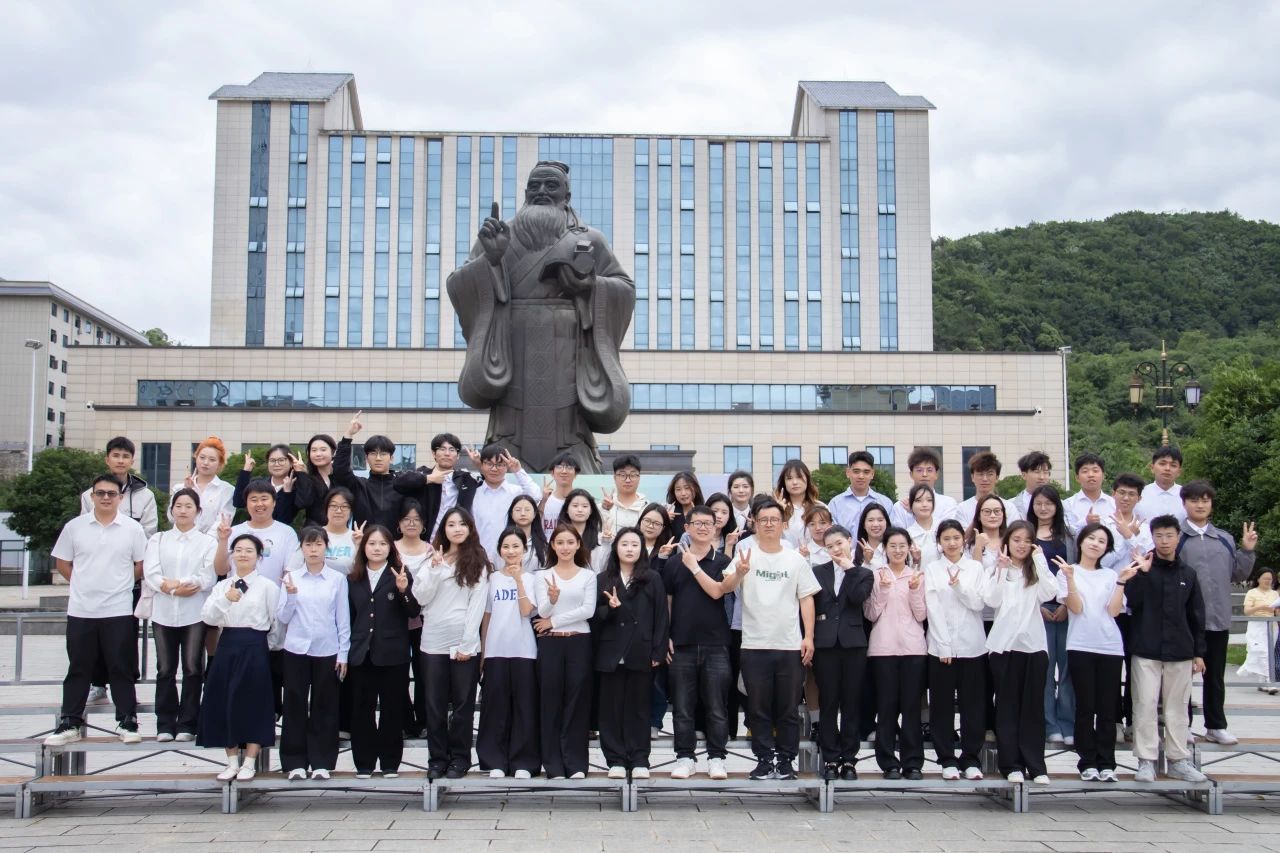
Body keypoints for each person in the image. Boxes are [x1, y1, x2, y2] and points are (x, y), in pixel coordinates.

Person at [449, 161, 635, 472]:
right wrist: (490, 260)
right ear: (525, 193)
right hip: (512, 351)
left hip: (569, 355)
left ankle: (574, 463)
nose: (542, 191)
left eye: (551, 186)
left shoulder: (590, 238)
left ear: (567, 195)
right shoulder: (498, 235)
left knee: (570, 432)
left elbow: (624, 289)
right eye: (534, 186)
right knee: (510, 432)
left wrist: (589, 286)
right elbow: (459, 284)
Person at [44, 474, 148, 747]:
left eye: (111, 493)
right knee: (79, 667)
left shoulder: (132, 529)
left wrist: (121, 584)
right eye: (100, 493)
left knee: (121, 667)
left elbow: (141, 564)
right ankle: (70, 722)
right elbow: (63, 563)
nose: (105, 498)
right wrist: (82, 584)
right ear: (91, 497)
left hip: (118, 609)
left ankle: (127, 721)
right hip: (82, 610)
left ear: (120, 498)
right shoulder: (75, 527)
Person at [719, 498, 820, 781]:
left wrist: (809, 636)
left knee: (788, 708)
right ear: (754, 522)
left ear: (783, 524)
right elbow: (724, 587)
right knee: (758, 707)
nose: (769, 524)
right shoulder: (745, 554)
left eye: (774, 519)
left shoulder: (794, 558)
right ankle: (764, 759)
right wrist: (739, 573)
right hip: (754, 644)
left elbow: (806, 598)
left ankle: (786, 761)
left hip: (789, 644)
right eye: (763, 519)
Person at [1126, 515, 1208, 783]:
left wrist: (1199, 652)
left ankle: (1178, 760)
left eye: (1169, 535)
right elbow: (1132, 602)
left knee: (1177, 707)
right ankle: (1146, 760)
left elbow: (1196, 615)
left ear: (1178, 537)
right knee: (1145, 704)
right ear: (1152, 537)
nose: (1164, 541)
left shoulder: (1188, 574)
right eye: (1159, 536)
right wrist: (1143, 574)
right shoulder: (1141, 567)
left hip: (1180, 650)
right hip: (1145, 648)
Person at [413, 508, 491, 779]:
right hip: (433, 642)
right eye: (451, 524)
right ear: (443, 529)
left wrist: (467, 644)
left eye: (462, 524)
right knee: (434, 706)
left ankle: (460, 759)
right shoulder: (431, 560)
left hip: (464, 643)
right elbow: (420, 598)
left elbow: (477, 605)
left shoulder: (478, 561)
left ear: (470, 528)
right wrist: (435, 570)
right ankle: (437, 759)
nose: (457, 529)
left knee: (462, 706)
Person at [1178, 480, 1257, 744]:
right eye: (1194, 500)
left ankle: (1216, 725)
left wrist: (1247, 550)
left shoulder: (1224, 538)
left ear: (1211, 504)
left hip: (1217, 619)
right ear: (1184, 503)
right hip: (1186, 621)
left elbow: (1238, 574)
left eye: (1205, 500)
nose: (1200, 505)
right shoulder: (1177, 537)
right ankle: (1182, 725)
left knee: (1215, 676)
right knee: (1182, 677)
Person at [982, 520, 1059, 785]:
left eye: (1027, 540)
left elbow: (1050, 592)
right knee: (1007, 707)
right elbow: (991, 600)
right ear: (1007, 542)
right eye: (1016, 540)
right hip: (1004, 647)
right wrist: (1001, 570)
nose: (1021, 545)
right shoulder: (997, 568)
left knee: (1032, 708)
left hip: (1034, 646)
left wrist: (1040, 560)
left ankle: (1036, 765)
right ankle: (1011, 764)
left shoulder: (1035, 570)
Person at [198, 533, 280, 781]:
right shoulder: (223, 586)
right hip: (228, 644)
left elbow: (276, 623)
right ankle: (232, 761)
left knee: (255, 702)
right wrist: (226, 599)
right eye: (239, 550)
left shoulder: (267, 586)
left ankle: (250, 762)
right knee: (226, 700)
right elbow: (208, 617)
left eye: (249, 550)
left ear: (258, 556)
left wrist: (265, 648)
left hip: (255, 646)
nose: (243, 555)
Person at [661, 505, 733, 780]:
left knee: (716, 706)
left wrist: (694, 567)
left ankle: (717, 758)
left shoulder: (723, 561)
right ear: (687, 528)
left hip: (716, 644)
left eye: (708, 524)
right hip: (681, 644)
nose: (703, 528)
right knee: (682, 707)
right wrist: (666, 635)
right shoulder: (673, 563)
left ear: (715, 528)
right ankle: (685, 757)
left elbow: (718, 593)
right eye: (697, 523)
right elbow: (668, 602)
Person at [276, 526, 351, 780]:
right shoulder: (291, 578)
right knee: (294, 703)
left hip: (327, 649)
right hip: (296, 648)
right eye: (308, 545)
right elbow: (283, 617)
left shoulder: (337, 579)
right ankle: (294, 761)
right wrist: (291, 596)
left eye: (318, 544)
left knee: (324, 705)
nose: (313, 550)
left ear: (326, 547)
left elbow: (342, 619)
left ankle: (322, 761)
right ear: (301, 548)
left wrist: (343, 654)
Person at [346, 525, 419, 778]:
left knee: (392, 709)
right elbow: (349, 617)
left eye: (382, 544)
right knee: (362, 709)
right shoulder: (353, 577)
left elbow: (413, 611)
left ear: (391, 548)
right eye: (372, 543)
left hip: (393, 654)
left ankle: (390, 763)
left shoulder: (399, 573)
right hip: (361, 653)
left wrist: (403, 590)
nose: (377, 548)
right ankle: (364, 762)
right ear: (363, 547)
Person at [144, 489, 216, 742]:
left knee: (193, 668)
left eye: (188, 506)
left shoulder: (207, 542)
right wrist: (173, 588)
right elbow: (151, 573)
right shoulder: (159, 539)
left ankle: (187, 723)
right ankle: (165, 723)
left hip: (194, 612)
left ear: (198, 511)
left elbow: (207, 576)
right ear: (171, 510)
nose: (183, 510)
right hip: (163, 612)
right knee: (165, 668)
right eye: (178, 506)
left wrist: (180, 583)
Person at [1055, 523, 1125, 782]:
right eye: (1091, 538)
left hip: (1110, 646)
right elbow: (1075, 608)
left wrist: (1121, 582)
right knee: (1085, 706)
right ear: (1081, 541)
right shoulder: (1067, 571)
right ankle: (1087, 763)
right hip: (1080, 645)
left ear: (1107, 548)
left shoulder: (1110, 575)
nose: (1096, 544)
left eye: (1102, 541)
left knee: (1107, 708)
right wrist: (1070, 579)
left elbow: (1114, 611)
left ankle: (1107, 763)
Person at [595, 528, 668, 779]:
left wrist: (658, 651)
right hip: (611, 652)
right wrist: (611, 609)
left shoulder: (652, 578)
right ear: (616, 548)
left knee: (639, 709)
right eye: (624, 544)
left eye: (635, 545)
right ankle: (615, 760)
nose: (629, 549)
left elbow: (661, 617)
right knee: (611, 709)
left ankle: (639, 759)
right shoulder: (603, 578)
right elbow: (595, 617)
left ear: (642, 549)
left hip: (641, 650)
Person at [531, 524, 598, 778]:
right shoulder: (543, 575)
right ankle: (553, 765)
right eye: (560, 542)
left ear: (578, 544)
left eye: (570, 542)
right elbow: (542, 611)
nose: (565, 547)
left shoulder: (588, 576)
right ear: (553, 545)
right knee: (550, 702)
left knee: (577, 701)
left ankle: (576, 764)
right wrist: (552, 600)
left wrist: (554, 621)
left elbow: (588, 611)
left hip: (579, 641)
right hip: (551, 644)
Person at [923, 519, 988, 781]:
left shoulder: (975, 568)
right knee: (941, 705)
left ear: (964, 540)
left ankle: (971, 758)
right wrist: (944, 644)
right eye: (946, 538)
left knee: (973, 705)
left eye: (956, 538)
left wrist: (958, 587)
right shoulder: (932, 569)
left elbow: (978, 603)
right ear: (939, 542)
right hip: (940, 648)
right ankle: (947, 759)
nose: (951, 543)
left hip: (973, 646)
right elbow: (932, 608)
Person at [863, 528, 928, 780]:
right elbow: (870, 614)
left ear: (909, 548)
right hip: (883, 650)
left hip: (914, 649)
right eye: (893, 545)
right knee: (886, 707)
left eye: (902, 545)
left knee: (911, 708)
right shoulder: (877, 575)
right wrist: (883, 589)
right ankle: (888, 762)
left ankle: (913, 763)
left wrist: (914, 591)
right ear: (885, 548)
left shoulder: (917, 575)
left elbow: (921, 615)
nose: (898, 550)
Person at [811, 525, 874, 780]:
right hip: (825, 644)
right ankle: (830, 759)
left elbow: (858, 598)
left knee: (851, 702)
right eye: (830, 546)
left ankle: (849, 759)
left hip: (853, 644)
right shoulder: (818, 572)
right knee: (828, 702)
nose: (836, 549)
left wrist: (850, 569)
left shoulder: (863, 573)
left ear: (850, 541)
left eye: (839, 543)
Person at [477, 528, 541, 779]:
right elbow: (487, 616)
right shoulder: (492, 579)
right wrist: (483, 651)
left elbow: (527, 611)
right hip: (496, 650)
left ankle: (524, 762)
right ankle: (495, 761)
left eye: (516, 546)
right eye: (506, 547)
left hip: (524, 650)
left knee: (525, 708)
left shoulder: (533, 579)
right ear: (499, 550)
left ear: (525, 550)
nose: (511, 551)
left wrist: (518, 580)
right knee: (495, 707)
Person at [1029, 484, 1077, 746]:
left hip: (1068, 609)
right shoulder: (1026, 535)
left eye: (1048, 503)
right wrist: (1037, 606)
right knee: (1045, 671)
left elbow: (1077, 572)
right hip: (1038, 610)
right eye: (1038, 503)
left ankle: (1068, 722)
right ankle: (1049, 724)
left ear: (1057, 506)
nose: (1043, 508)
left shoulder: (1069, 536)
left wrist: (1067, 604)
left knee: (1068, 669)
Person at [393, 432, 479, 539]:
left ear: (458, 456)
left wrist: (479, 465)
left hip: (456, 540)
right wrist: (429, 479)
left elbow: (490, 481)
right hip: (425, 540)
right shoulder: (422, 474)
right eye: (442, 449)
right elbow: (397, 483)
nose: (447, 453)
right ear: (434, 453)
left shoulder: (465, 479)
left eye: (452, 449)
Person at [396, 500, 433, 739]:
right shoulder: (390, 547)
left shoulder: (432, 550)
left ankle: (424, 720)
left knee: (423, 673)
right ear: (399, 523)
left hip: (425, 619)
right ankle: (405, 721)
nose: (411, 523)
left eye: (416, 519)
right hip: (396, 620)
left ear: (423, 524)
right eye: (407, 519)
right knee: (398, 673)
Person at [333, 411, 404, 530]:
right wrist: (348, 435)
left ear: (391, 458)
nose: (378, 458)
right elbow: (340, 471)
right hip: (363, 540)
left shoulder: (402, 486)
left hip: (396, 541)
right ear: (366, 458)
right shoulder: (360, 486)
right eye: (373, 453)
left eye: (383, 454)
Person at [79, 436, 158, 536]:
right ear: (107, 460)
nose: (120, 461)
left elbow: (149, 533)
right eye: (116, 456)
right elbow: (84, 529)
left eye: (125, 456)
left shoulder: (146, 496)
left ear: (132, 462)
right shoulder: (89, 495)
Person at [470, 444, 540, 553]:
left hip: (511, 556)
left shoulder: (516, 493)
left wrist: (517, 471)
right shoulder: (473, 495)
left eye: (499, 464)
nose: (494, 469)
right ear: (481, 465)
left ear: (507, 467)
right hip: (479, 557)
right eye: (489, 464)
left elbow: (536, 495)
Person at [173, 437, 236, 535]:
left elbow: (222, 521)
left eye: (212, 460)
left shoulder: (227, 490)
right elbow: (171, 517)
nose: (206, 463)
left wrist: (204, 541)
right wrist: (185, 491)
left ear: (220, 463)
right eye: (202, 457)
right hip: (181, 539)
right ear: (196, 457)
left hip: (212, 542)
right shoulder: (180, 488)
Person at [948, 451, 1022, 528]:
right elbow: (961, 535)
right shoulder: (962, 508)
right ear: (972, 477)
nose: (985, 479)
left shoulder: (1009, 507)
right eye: (980, 474)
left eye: (990, 474)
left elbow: (1014, 533)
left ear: (997, 477)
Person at [232, 445, 302, 525]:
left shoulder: (297, 488)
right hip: (254, 530)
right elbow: (238, 502)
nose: (276, 464)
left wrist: (287, 493)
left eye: (281, 460)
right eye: (272, 460)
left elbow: (284, 520)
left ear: (291, 463)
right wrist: (246, 471)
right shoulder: (259, 484)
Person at [890, 447, 958, 529]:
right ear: (911, 474)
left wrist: (916, 512)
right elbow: (900, 535)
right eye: (919, 470)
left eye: (929, 470)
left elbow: (947, 533)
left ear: (936, 474)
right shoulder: (900, 507)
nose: (924, 474)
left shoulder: (948, 504)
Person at [830, 451, 893, 532]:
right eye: (856, 471)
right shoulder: (835, 504)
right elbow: (832, 535)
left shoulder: (886, 503)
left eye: (866, 472)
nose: (861, 476)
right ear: (848, 472)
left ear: (872, 474)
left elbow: (891, 533)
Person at [1239, 568, 1279, 692]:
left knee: (1268, 653)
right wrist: (1260, 607)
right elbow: (1247, 611)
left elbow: (1276, 611)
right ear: (1258, 579)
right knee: (1261, 651)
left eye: (1270, 579)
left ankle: (1263, 681)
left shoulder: (1274, 594)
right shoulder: (1252, 593)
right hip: (1256, 625)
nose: (1268, 581)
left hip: (1271, 625)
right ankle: (1269, 682)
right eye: (1265, 578)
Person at [1063, 453, 1115, 534]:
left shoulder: (1114, 504)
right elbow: (1067, 534)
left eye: (1095, 471)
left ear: (1103, 476)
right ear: (1077, 478)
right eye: (1085, 471)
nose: (1091, 475)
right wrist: (1085, 522)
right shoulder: (1068, 505)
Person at [294, 433, 338, 526]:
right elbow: (303, 503)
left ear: (333, 452)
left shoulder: (341, 476)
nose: (318, 454)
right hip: (313, 531)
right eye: (313, 450)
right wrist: (302, 474)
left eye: (323, 450)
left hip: (339, 529)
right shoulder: (306, 477)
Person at [775, 459, 822, 547]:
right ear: (784, 482)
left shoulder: (820, 507)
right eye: (789, 478)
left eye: (799, 477)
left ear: (807, 479)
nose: (795, 482)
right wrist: (777, 513)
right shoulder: (775, 509)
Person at [1135, 445, 1185, 522]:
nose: (1167, 468)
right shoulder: (1139, 494)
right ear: (1152, 468)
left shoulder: (1187, 496)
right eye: (1162, 464)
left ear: (1179, 472)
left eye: (1173, 465)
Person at [601, 454, 648, 531]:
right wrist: (605, 510)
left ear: (639, 478)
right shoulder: (602, 508)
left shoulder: (647, 508)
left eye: (632, 475)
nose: (628, 480)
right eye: (622, 475)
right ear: (614, 478)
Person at [539, 452, 580, 539]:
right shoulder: (543, 500)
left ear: (575, 474)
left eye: (569, 467)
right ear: (552, 473)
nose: (564, 471)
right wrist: (543, 501)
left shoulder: (581, 502)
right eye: (559, 467)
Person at [506, 494, 548, 569]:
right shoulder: (504, 542)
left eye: (527, 510)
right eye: (518, 510)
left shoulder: (544, 544)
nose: (523, 514)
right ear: (511, 514)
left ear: (534, 514)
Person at [905, 484, 941, 570]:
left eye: (929, 500)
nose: (924, 504)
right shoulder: (907, 535)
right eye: (918, 500)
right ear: (911, 505)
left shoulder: (943, 529)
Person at [1010, 451, 1054, 520]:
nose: (1042, 477)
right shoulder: (1010, 505)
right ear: (1024, 475)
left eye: (1045, 472)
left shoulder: (1060, 504)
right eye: (1037, 472)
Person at [665, 471, 704, 538]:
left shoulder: (705, 512)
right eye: (678, 489)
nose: (683, 493)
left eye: (687, 488)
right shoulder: (669, 512)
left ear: (696, 488)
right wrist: (663, 520)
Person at [853, 503, 890, 570]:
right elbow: (856, 576)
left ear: (886, 523)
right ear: (863, 524)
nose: (875, 524)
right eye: (870, 520)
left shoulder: (895, 549)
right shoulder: (854, 554)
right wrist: (866, 562)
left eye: (880, 520)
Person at [705, 492, 741, 557]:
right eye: (715, 511)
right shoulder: (690, 536)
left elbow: (729, 564)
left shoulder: (734, 539)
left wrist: (729, 545)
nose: (719, 516)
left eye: (724, 512)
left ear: (729, 516)